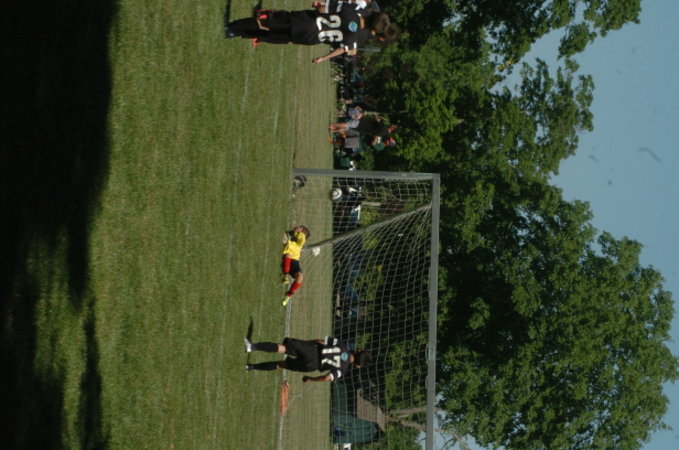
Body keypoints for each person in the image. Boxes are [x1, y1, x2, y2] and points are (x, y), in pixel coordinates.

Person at [223, 4, 397, 63]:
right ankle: (237, 33)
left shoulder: (351, 10)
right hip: (310, 37)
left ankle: (232, 28)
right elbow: (341, 50)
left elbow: (324, 7)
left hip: (307, 21)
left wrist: (318, 5)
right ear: (374, 31)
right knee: (277, 36)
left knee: (267, 23)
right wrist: (323, 58)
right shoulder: (357, 39)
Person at [244, 336, 372, 382]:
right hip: (312, 366)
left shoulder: (342, 345)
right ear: (357, 366)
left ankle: (252, 347)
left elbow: (321, 341)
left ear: (358, 350)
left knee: (283, 348)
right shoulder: (342, 371)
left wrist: (306, 344)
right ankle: (251, 367)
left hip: (313, 351)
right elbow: (326, 378)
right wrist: (311, 379)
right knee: (281, 365)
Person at [281, 225, 310, 306]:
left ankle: (288, 296)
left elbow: (300, 236)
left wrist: (297, 231)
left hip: (295, 261)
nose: (297, 226)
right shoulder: (293, 237)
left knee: (300, 277)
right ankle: (285, 276)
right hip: (289, 256)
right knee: (288, 255)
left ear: (302, 232)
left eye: (300, 227)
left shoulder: (301, 239)